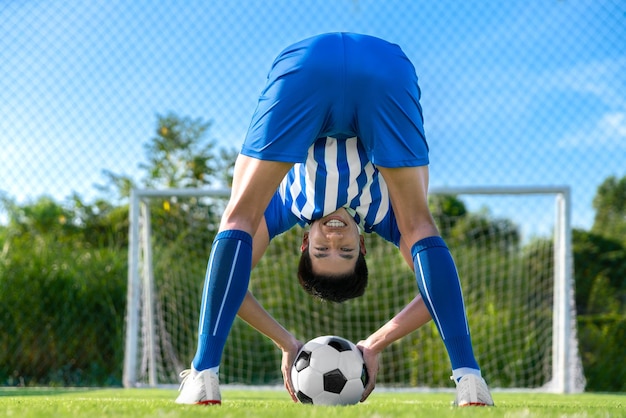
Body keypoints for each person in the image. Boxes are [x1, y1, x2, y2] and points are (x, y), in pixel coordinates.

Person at [175, 32, 494, 407]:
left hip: (307, 69)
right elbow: (436, 295)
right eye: (344, 251)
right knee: (420, 226)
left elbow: (231, 289)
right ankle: (469, 378)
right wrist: (375, 344)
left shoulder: (283, 207)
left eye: (322, 250)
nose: (333, 239)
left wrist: (288, 342)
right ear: (361, 245)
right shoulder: (385, 215)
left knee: (239, 217)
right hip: (384, 70)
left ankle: (203, 373)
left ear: (304, 243)